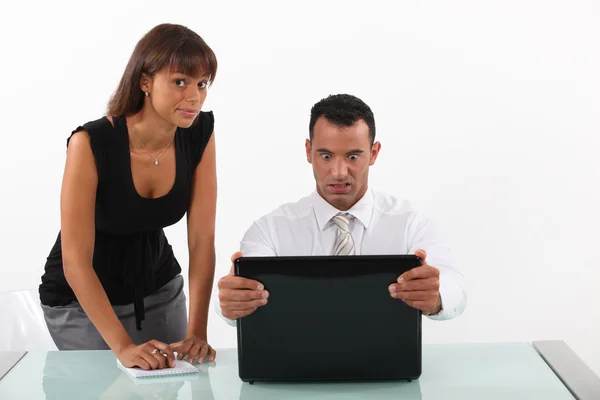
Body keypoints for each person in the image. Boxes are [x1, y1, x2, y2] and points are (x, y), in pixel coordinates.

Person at [39, 23, 218, 370]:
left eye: (202, 83)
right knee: (109, 389)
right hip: (80, 301)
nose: (194, 96)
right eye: (180, 81)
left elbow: (201, 239)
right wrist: (122, 347)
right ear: (145, 81)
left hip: (159, 290)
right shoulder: (91, 143)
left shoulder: (199, 133)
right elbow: (76, 261)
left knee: (170, 389)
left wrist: (197, 330)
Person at [217, 94, 466, 324]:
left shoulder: (413, 222)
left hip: (385, 361)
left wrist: (436, 297)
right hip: (296, 363)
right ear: (308, 151)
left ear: (374, 153)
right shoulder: (269, 230)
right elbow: (234, 294)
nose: (338, 172)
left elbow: (455, 287)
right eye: (326, 156)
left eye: (353, 157)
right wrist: (228, 305)